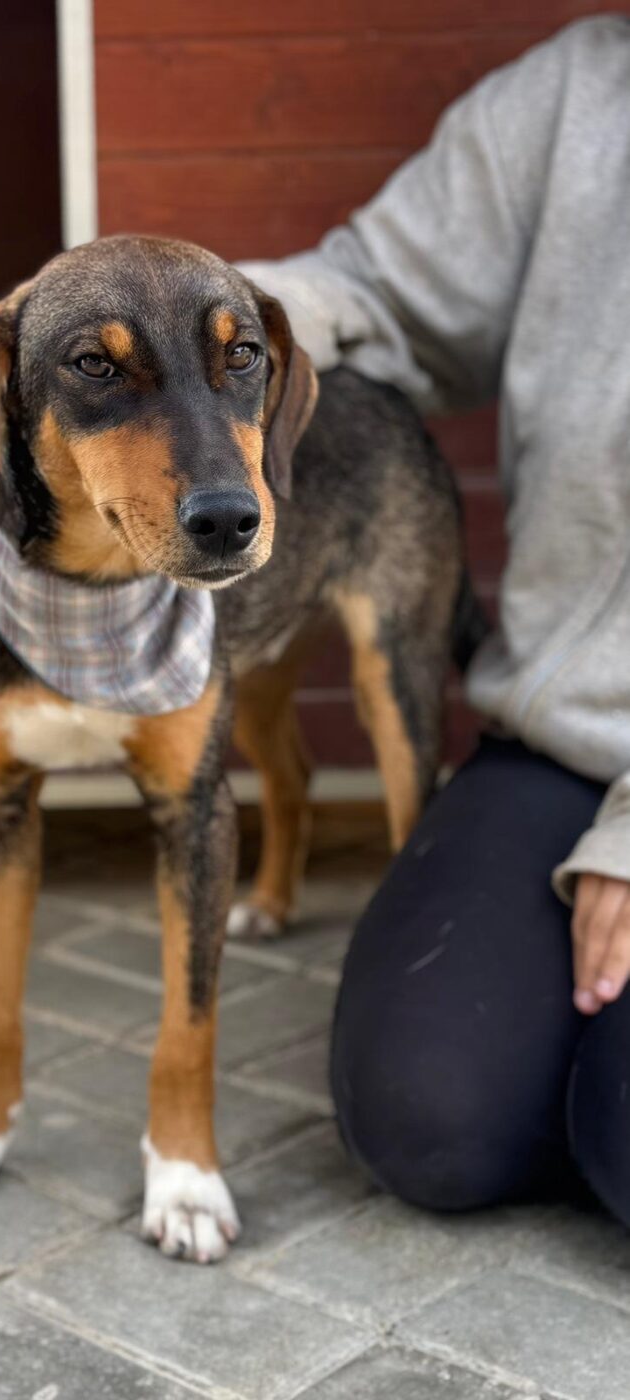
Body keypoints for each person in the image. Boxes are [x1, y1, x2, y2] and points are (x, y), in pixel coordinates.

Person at [237, 15, 630, 1227]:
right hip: (566, 732)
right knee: (426, 1115)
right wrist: (179, 324)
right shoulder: (579, 91)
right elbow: (373, 292)